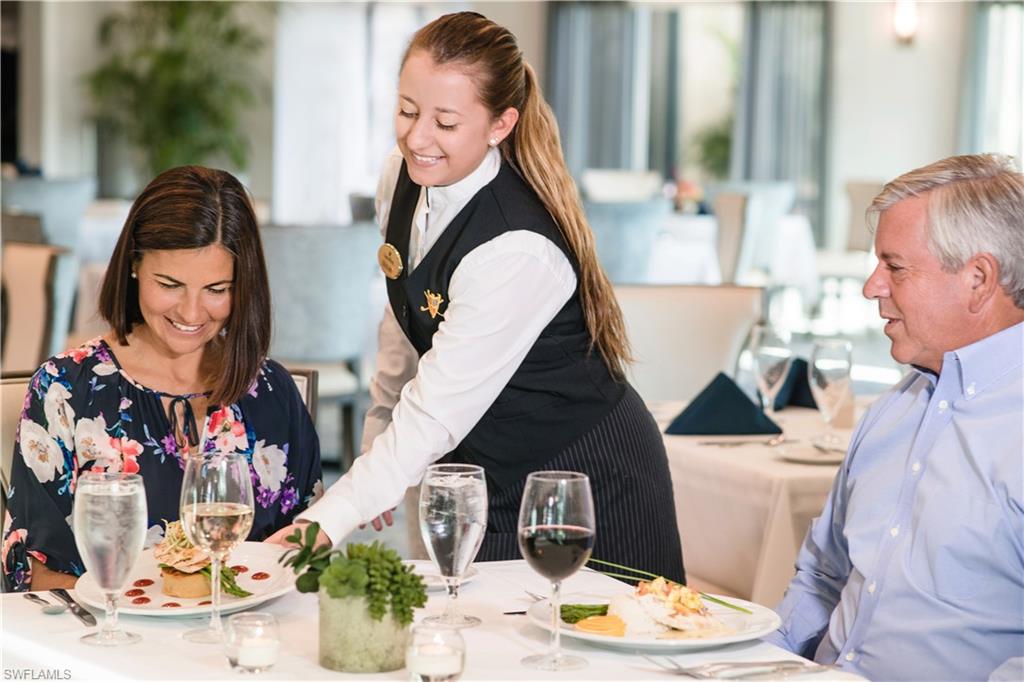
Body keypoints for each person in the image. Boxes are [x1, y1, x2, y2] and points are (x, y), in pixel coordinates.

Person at [269, 11, 684, 582]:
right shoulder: (404, 176)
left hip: (583, 479)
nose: (417, 137)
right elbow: (404, 322)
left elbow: (436, 407)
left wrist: (330, 517)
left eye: (445, 122)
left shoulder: (516, 248)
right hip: (481, 474)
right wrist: (376, 448)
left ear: (499, 124)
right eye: (407, 110)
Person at [2, 166, 324, 591]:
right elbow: (35, 572)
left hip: (242, 644)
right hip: (108, 647)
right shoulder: (65, 390)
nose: (191, 314)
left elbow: (307, 558)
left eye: (216, 289)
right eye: (170, 284)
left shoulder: (270, 391)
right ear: (134, 264)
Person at [765, 154, 1024, 681]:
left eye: (895, 267)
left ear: (978, 279)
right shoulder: (892, 410)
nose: (871, 287)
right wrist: (757, 663)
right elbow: (822, 576)